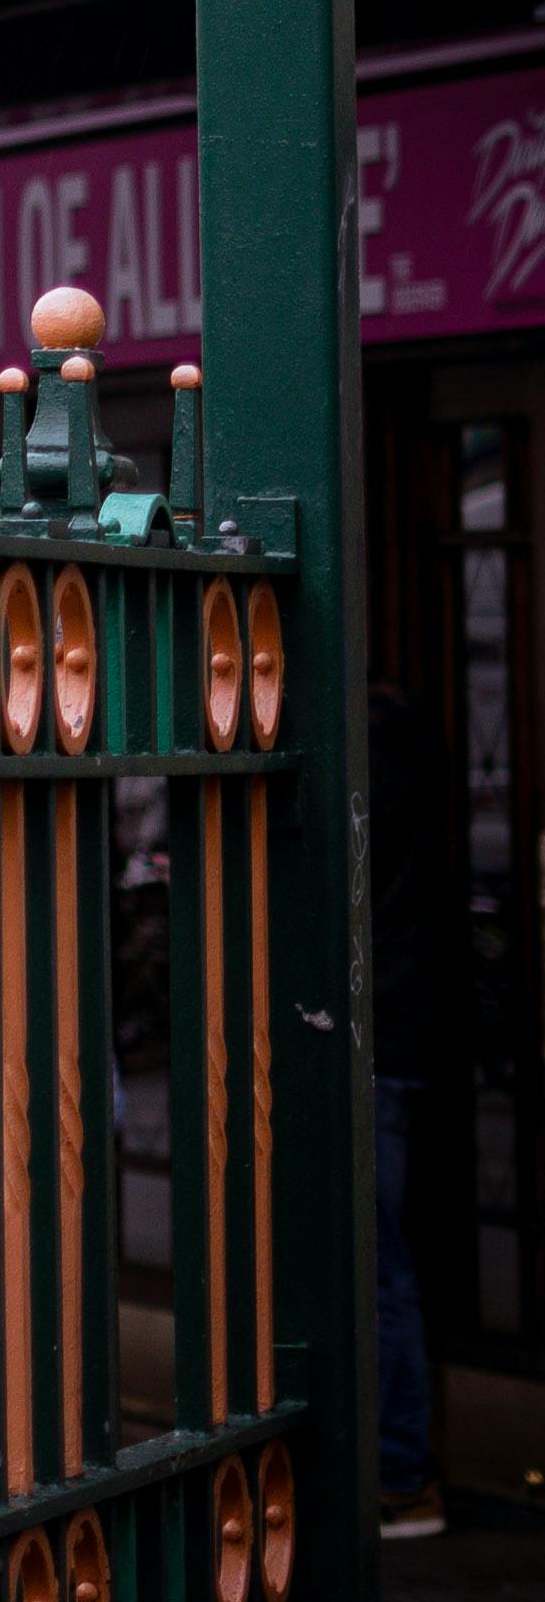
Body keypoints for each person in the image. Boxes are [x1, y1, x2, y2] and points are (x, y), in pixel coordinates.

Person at [369, 646, 450, 1532]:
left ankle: (398, 1469)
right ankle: (396, 1467)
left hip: (372, 1033)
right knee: (380, 1259)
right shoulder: (412, 740)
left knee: (374, 1262)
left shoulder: (367, 754)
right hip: (398, 1029)